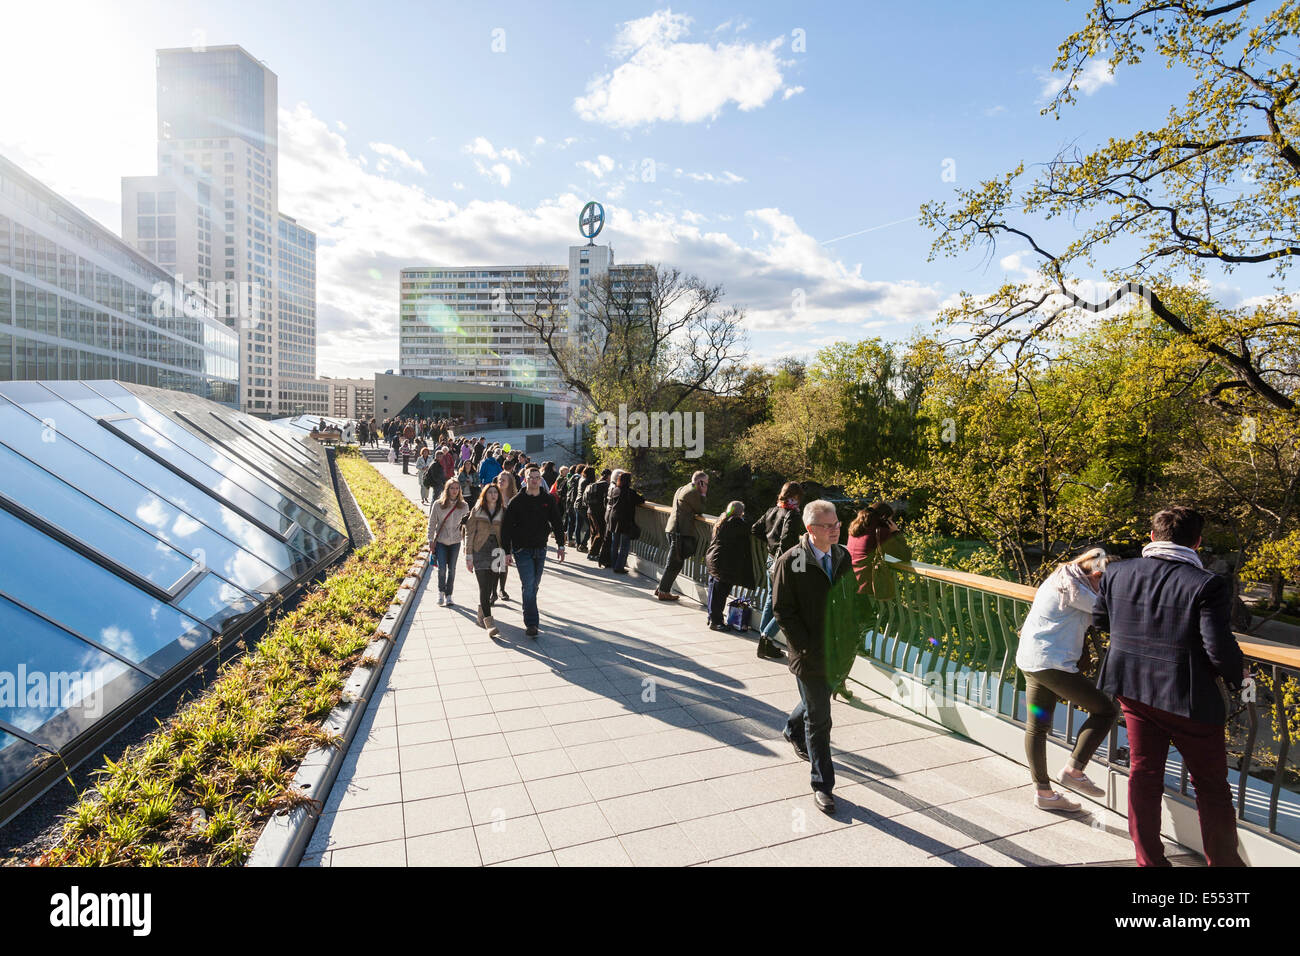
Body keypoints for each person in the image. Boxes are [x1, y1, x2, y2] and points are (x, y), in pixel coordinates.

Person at [1094, 507, 1248, 867]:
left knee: (1143, 774)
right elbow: (1218, 649)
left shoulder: (1116, 572)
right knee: (1210, 787)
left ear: (1152, 537)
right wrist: (1241, 679)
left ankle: (1149, 860)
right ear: (1197, 542)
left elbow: (1102, 621)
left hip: (1132, 687)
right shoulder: (1206, 584)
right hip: (1188, 700)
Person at [1014, 548, 1119, 813]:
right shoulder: (1079, 592)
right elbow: (1111, 612)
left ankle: (1044, 793)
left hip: (1031, 659)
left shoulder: (1061, 578)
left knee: (1036, 727)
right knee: (1105, 710)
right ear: (1096, 574)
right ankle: (1074, 770)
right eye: (1107, 583)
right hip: (1052, 664)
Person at [773, 499, 851, 816]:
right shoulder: (791, 561)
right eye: (828, 526)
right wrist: (804, 646)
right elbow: (782, 611)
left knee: (814, 702)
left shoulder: (843, 556)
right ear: (810, 529)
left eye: (837, 524)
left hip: (839, 652)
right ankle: (822, 786)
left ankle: (792, 729)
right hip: (809, 655)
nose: (835, 530)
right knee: (820, 719)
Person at [839, 503, 913, 700]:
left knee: (855, 627)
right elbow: (905, 555)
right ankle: (839, 679)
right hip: (864, 586)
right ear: (886, 518)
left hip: (848, 582)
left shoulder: (856, 527)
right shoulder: (880, 530)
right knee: (858, 630)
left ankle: (843, 671)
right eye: (891, 519)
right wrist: (896, 532)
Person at [501, 464, 567, 637]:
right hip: (522, 549)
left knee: (533, 586)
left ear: (540, 480)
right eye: (532, 477)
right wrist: (506, 551)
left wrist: (561, 546)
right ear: (526, 480)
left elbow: (557, 523)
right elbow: (506, 527)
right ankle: (532, 623)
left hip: (541, 548)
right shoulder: (516, 501)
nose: (535, 480)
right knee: (529, 585)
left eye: (538, 477)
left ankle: (527, 607)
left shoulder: (548, 499)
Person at [751, 483, 805, 661]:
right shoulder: (793, 514)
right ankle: (766, 637)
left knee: (770, 598)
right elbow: (788, 539)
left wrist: (769, 543)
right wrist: (782, 558)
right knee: (787, 603)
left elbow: (755, 529)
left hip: (770, 558)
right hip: (782, 562)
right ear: (796, 496)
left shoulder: (773, 510)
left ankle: (764, 639)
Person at [654, 471, 709, 601]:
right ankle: (663, 591)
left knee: (675, 562)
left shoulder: (682, 488)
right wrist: (703, 492)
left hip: (673, 529)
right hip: (680, 531)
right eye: (705, 483)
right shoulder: (693, 492)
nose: (707, 485)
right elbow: (701, 509)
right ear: (700, 482)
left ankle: (661, 588)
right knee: (674, 562)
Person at [705, 501, 757, 633]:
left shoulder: (723, 519)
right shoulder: (736, 522)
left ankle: (712, 618)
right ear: (741, 512)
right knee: (720, 593)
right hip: (723, 564)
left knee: (713, 591)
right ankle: (716, 622)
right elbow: (751, 528)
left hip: (714, 559)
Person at [464, 483, 506, 638]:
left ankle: (481, 613)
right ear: (485, 495)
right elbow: (469, 532)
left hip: (497, 552)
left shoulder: (503, 511)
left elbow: (507, 534)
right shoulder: (477, 510)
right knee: (483, 586)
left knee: (491, 587)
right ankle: (490, 623)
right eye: (490, 492)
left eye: (496, 492)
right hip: (479, 550)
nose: (493, 495)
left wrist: (508, 553)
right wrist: (468, 555)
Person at [428, 479, 470, 608]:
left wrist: (466, 545)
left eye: (457, 488)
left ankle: (449, 595)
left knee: (452, 570)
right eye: (452, 488)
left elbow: (467, 527)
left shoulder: (464, 506)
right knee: (442, 569)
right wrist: (430, 540)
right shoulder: (438, 504)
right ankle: (441, 592)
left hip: (455, 542)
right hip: (441, 541)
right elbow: (432, 523)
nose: (455, 491)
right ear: (447, 489)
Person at [606, 470, 644, 574]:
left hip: (613, 518)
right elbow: (641, 500)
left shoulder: (615, 490)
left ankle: (614, 564)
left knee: (615, 543)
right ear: (629, 481)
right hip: (625, 521)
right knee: (624, 545)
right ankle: (619, 567)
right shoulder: (630, 492)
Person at [494, 470, 519, 601]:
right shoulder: (492, 495)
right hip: (493, 534)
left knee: (503, 564)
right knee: (494, 565)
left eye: (504, 479)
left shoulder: (514, 499)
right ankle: (493, 592)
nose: (501, 481)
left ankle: (502, 589)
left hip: (507, 535)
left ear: (510, 482)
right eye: (499, 479)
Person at [584, 468, 612, 564]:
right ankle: (593, 553)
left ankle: (593, 552)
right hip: (599, 512)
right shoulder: (606, 486)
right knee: (601, 533)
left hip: (589, 511)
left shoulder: (593, 484)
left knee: (594, 532)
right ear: (608, 476)